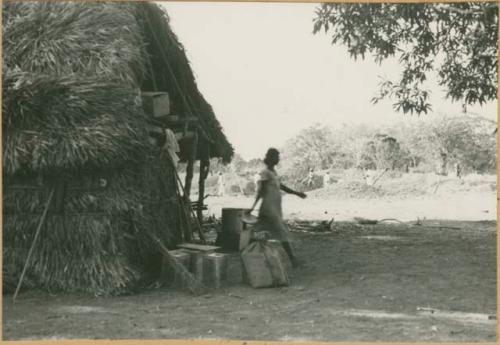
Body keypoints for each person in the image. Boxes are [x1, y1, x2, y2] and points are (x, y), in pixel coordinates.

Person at [247, 148, 307, 268]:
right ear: (270, 158)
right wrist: (253, 207)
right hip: (269, 209)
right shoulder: (265, 173)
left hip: (275, 208)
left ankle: (249, 256)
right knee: (280, 232)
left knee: (258, 233)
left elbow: (282, 187)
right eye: (276, 157)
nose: (278, 159)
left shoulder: (273, 172)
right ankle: (293, 260)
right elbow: (261, 192)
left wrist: (296, 193)